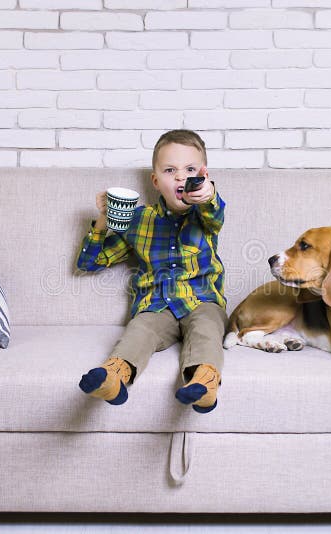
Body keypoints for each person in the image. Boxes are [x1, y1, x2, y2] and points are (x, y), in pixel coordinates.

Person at [76, 129, 227, 413]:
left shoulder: (206, 215)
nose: (181, 177)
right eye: (171, 170)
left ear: (203, 175)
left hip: (203, 300)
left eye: (191, 169)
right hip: (156, 305)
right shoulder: (139, 220)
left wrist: (208, 194)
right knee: (139, 329)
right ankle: (113, 378)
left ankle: (204, 385)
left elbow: (214, 209)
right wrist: (101, 222)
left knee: (207, 329)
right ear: (156, 181)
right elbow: (89, 263)